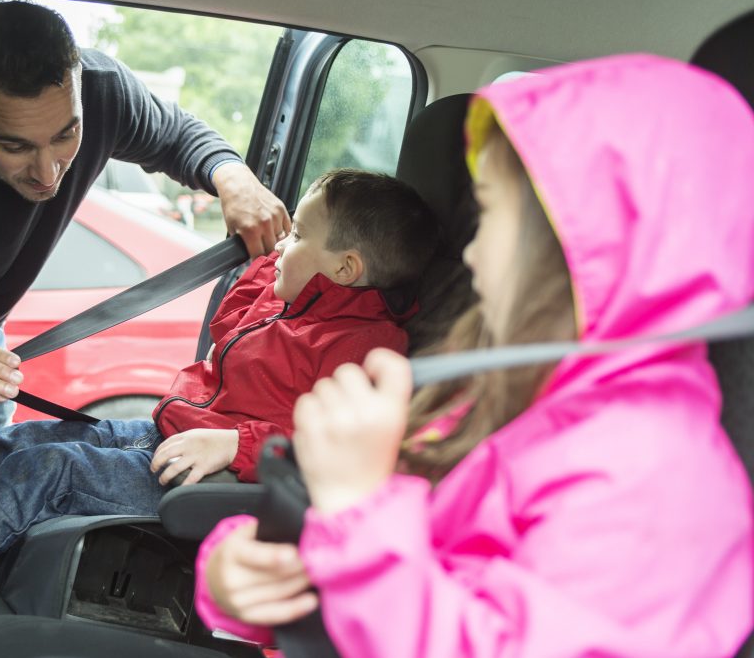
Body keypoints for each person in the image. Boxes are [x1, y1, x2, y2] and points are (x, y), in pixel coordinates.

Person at [194, 54, 754, 657]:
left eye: (487, 217)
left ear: (580, 246)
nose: (473, 253)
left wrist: (358, 513)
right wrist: (243, 570)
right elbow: (386, 561)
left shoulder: (655, 483)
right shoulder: (494, 398)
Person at [0, 169, 441, 628]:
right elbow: (228, 325)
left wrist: (233, 444)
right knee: (17, 441)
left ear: (346, 268)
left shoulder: (365, 348)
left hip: (214, 481)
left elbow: (341, 448)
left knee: (50, 469)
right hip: (171, 435)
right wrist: (272, 262)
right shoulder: (295, 300)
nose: (284, 245)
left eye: (299, 235)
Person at [0, 0, 290, 657]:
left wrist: (231, 175)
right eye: (15, 145)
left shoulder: (101, 92)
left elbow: (177, 135)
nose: (48, 172)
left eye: (65, 136)